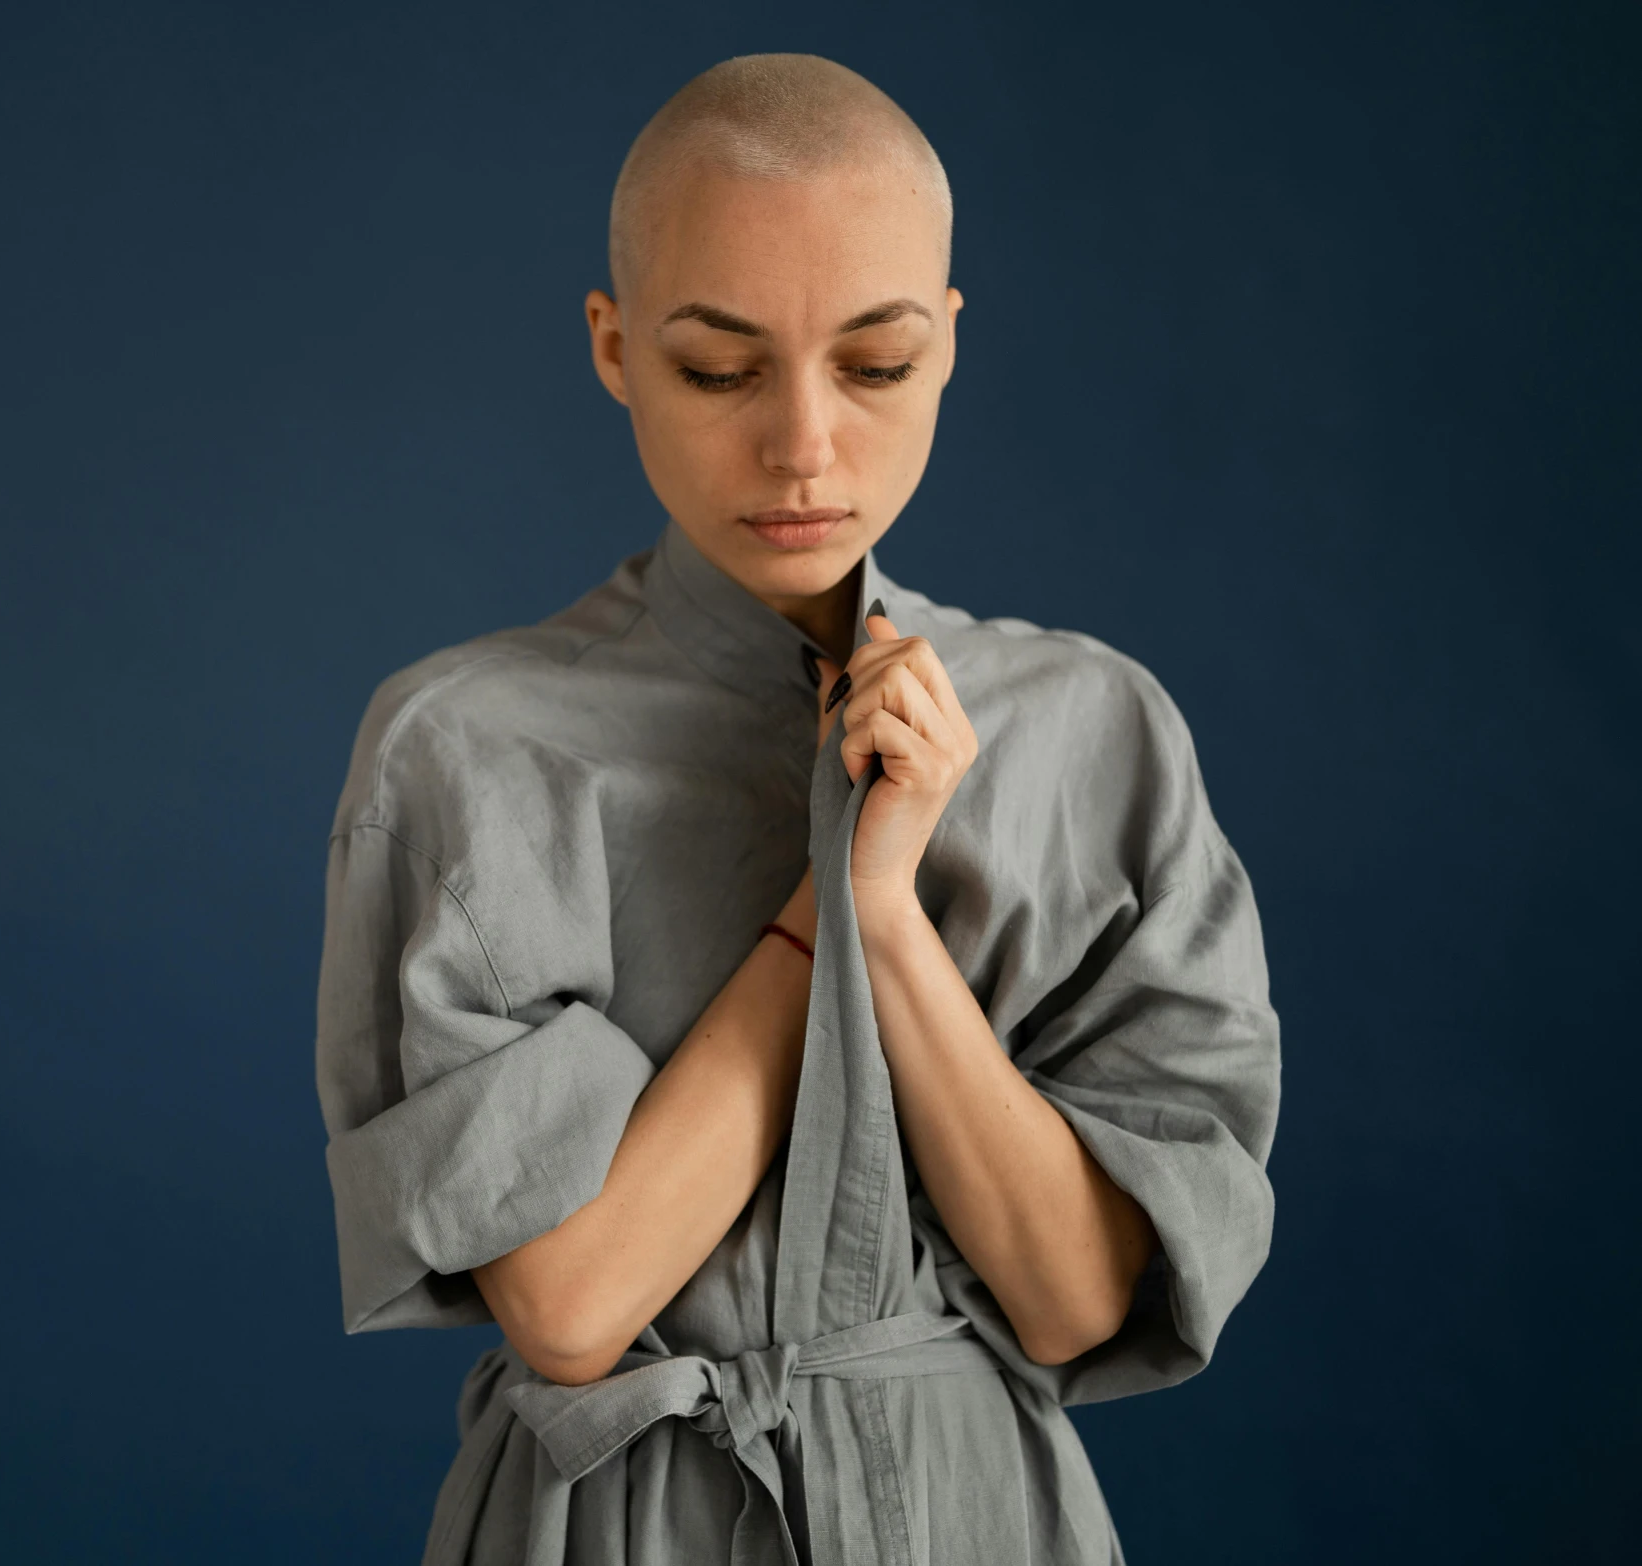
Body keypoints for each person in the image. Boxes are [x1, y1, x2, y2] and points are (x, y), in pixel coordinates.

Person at [313, 52, 1281, 1566]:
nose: (805, 445)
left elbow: (1075, 1296)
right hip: (615, 1522)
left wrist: (895, 923)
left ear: (950, 344)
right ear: (615, 347)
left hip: (973, 1516)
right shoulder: (471, 743)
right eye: (719, 369)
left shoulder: (1097, 732)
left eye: (877, 364)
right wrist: (828, 891)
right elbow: (571, 1304)